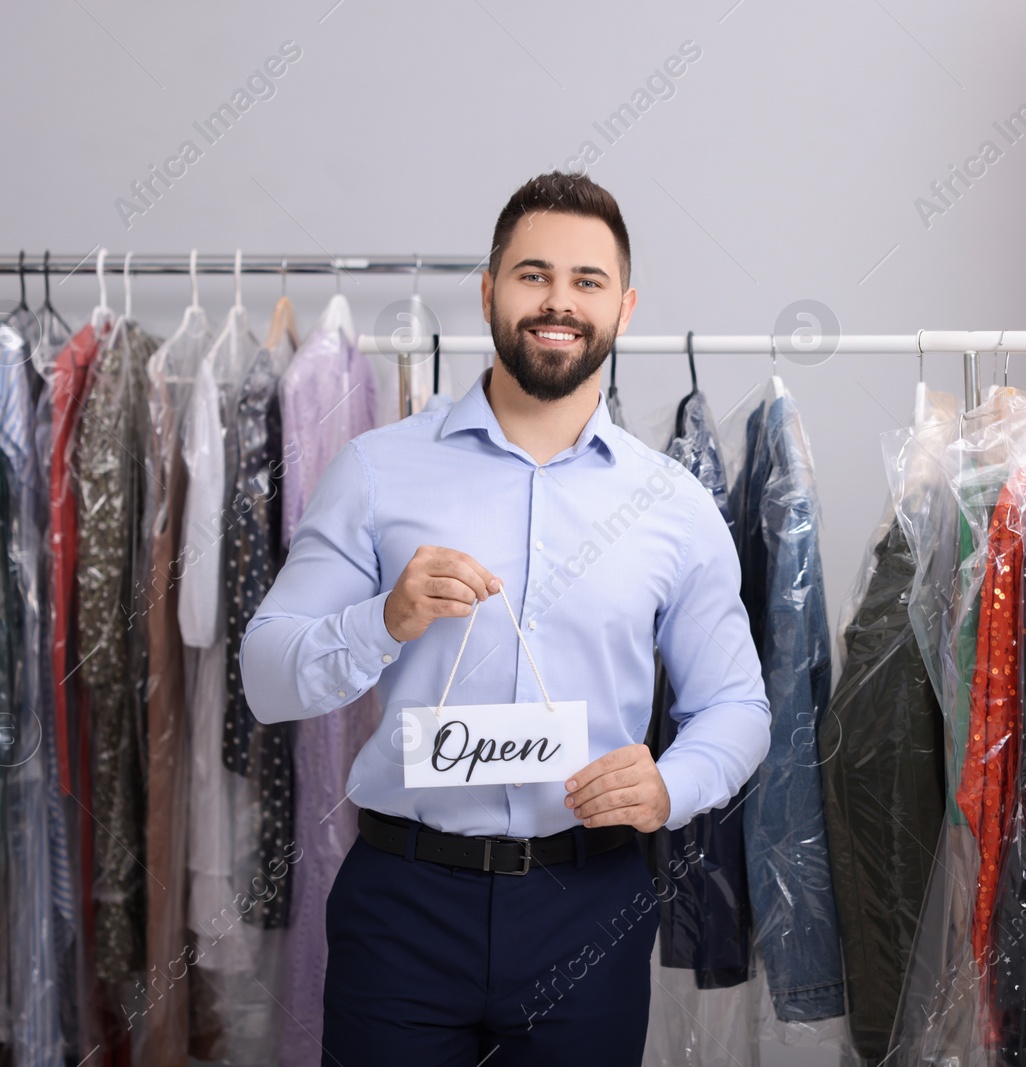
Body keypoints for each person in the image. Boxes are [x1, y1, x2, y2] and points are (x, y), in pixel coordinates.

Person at [239, 170, 771, 1065]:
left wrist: (670, 787)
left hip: (589, 905)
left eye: (586, 282)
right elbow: (263, 674)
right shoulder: (375, 471)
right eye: (532, 275)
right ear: (488, 292)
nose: (557, 301)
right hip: (402, 903)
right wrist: (382, 619)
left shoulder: (673, 505)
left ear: (623, 308)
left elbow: (739, 709)